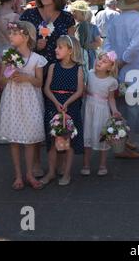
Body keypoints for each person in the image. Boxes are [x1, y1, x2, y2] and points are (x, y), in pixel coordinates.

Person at [20, 0, 76, 177]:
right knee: (35, 118)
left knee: (58, 118)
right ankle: (35, 162)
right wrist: (35, 46)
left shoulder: (67, 18)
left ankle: (60, 159)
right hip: (34, 72)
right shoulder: (28, 15)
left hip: (58, 73)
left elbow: (72, 47)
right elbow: (19, 46)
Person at [0, 21, 46, 190]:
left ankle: (29, 173)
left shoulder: (37, 59)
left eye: (14, 33)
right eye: (10, 33)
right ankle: (18, 175)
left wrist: (26, 78)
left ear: (25, 37)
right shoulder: (7, 55)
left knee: (30, 139)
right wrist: (9, 73)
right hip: (13, 100)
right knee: (14, 139)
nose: (10, 36)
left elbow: (39, 83)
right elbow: (0, 80)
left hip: (30, 101)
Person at [104, 0, 139, 159]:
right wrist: (122, 60)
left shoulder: (115, 20)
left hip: (117, 69)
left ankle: (123, 142)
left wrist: (112, 60)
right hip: (134, 69)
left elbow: (107, 43)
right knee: (131, 108)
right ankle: (122, 145)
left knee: (120, 106)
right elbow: (135, 46)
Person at [41, 35, 84, 186]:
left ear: (70, 51)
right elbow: (46, 88)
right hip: (53, 106)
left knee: (69, 142)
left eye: (60, 47)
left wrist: (66, 102)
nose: (56, 50)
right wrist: (56, 102)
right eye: (56, 47)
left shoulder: (78, 69)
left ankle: (66, 173)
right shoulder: (53, 66)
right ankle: (51, 172)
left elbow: (79, 91)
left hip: (71, 107)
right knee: (52, 141)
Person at [81, 51, 120, 176]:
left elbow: (111, 98)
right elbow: (85, 90)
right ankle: (86, 164)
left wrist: (114, 111)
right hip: (89, 109)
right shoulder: (90, 75)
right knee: (87, 135)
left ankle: (102, 165)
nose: (100, 62)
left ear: (110, 67)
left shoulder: (111, 81)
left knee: (102, 136)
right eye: (99, 59)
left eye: (104, 62)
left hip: (102, 110)